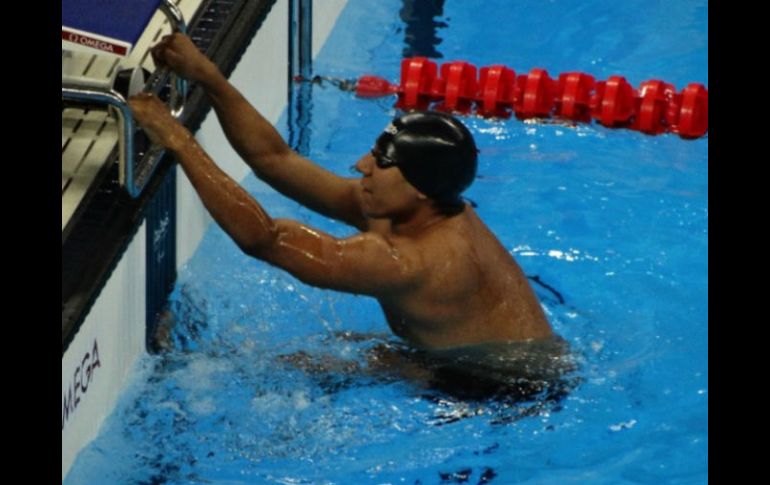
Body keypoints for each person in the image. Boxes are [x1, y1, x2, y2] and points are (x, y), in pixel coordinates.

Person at [128, 33, 557, 354]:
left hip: (498, 389)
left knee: (304, 362)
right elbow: (276, 160)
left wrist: (179, 142)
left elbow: (264, 239)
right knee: (331, 352)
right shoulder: (410, 207)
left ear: (419, 190)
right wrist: (209, 76)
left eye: (381, 163)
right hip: (461, 352)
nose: (360, 166)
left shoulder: (409, 262)